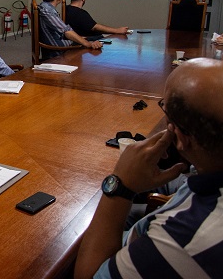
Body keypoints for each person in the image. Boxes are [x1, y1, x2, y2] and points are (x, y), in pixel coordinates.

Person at [75, 58, 223, 278]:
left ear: (180, 138)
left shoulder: (183, 240)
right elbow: (185, 186)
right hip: (151, 221)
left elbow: (88, 275)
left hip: (144, 248)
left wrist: (120, 186)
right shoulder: (210, 166)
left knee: (68, 240)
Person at [38, 0, 102, 59]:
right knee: (93, 42)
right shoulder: (47, 10)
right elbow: (66, 31)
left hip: (61, 43)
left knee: (93, 38)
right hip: (58, 51)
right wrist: (89, 44)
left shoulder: (44, 7)